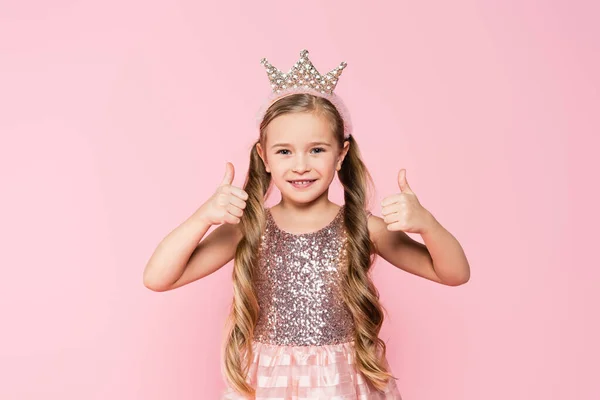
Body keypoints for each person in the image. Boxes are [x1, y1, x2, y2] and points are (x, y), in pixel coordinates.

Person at [143, 49, 470, 399]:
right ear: (263, 156)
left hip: (341, 383)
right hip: (270, 384)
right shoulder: (249, 229)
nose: (301, 165)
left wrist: (427, 225)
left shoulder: (361, 228)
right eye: (285, 151)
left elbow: (454, 273)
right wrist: (202, 217)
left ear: (341, 154)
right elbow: (158, 278)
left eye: (316, 150)